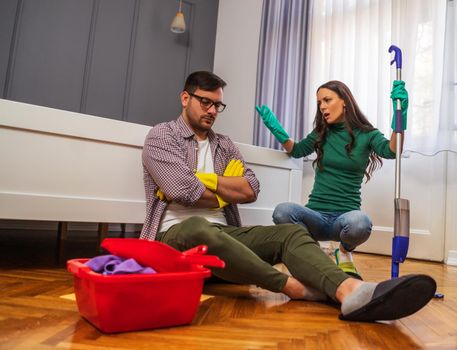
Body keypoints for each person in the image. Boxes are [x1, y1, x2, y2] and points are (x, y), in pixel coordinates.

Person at [140, 71, 435, 322]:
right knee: (199, 227)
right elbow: (182, 190)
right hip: (175, 239)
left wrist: (211, 184)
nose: (212, 111)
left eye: (218, 105)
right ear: (185, 98)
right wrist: (227, 190)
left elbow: (251, 189)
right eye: (205, 102)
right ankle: (295, 286)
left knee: (290, 233)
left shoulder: (224, 145)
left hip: (226, 237)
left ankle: (350, 291)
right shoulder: (162, 136)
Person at [255, 80, 409, 279]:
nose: (322, 107)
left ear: (344, 101)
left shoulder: (367, 134)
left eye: (327, 100)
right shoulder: (321, 132)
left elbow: (393, 150)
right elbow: (298, 150)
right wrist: (277, 129)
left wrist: (400, 118)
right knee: (282, 211)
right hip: (315, 216)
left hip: (344, 219)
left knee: (361, 223)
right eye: (319, 103)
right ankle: (312, 251)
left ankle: (344, 253)